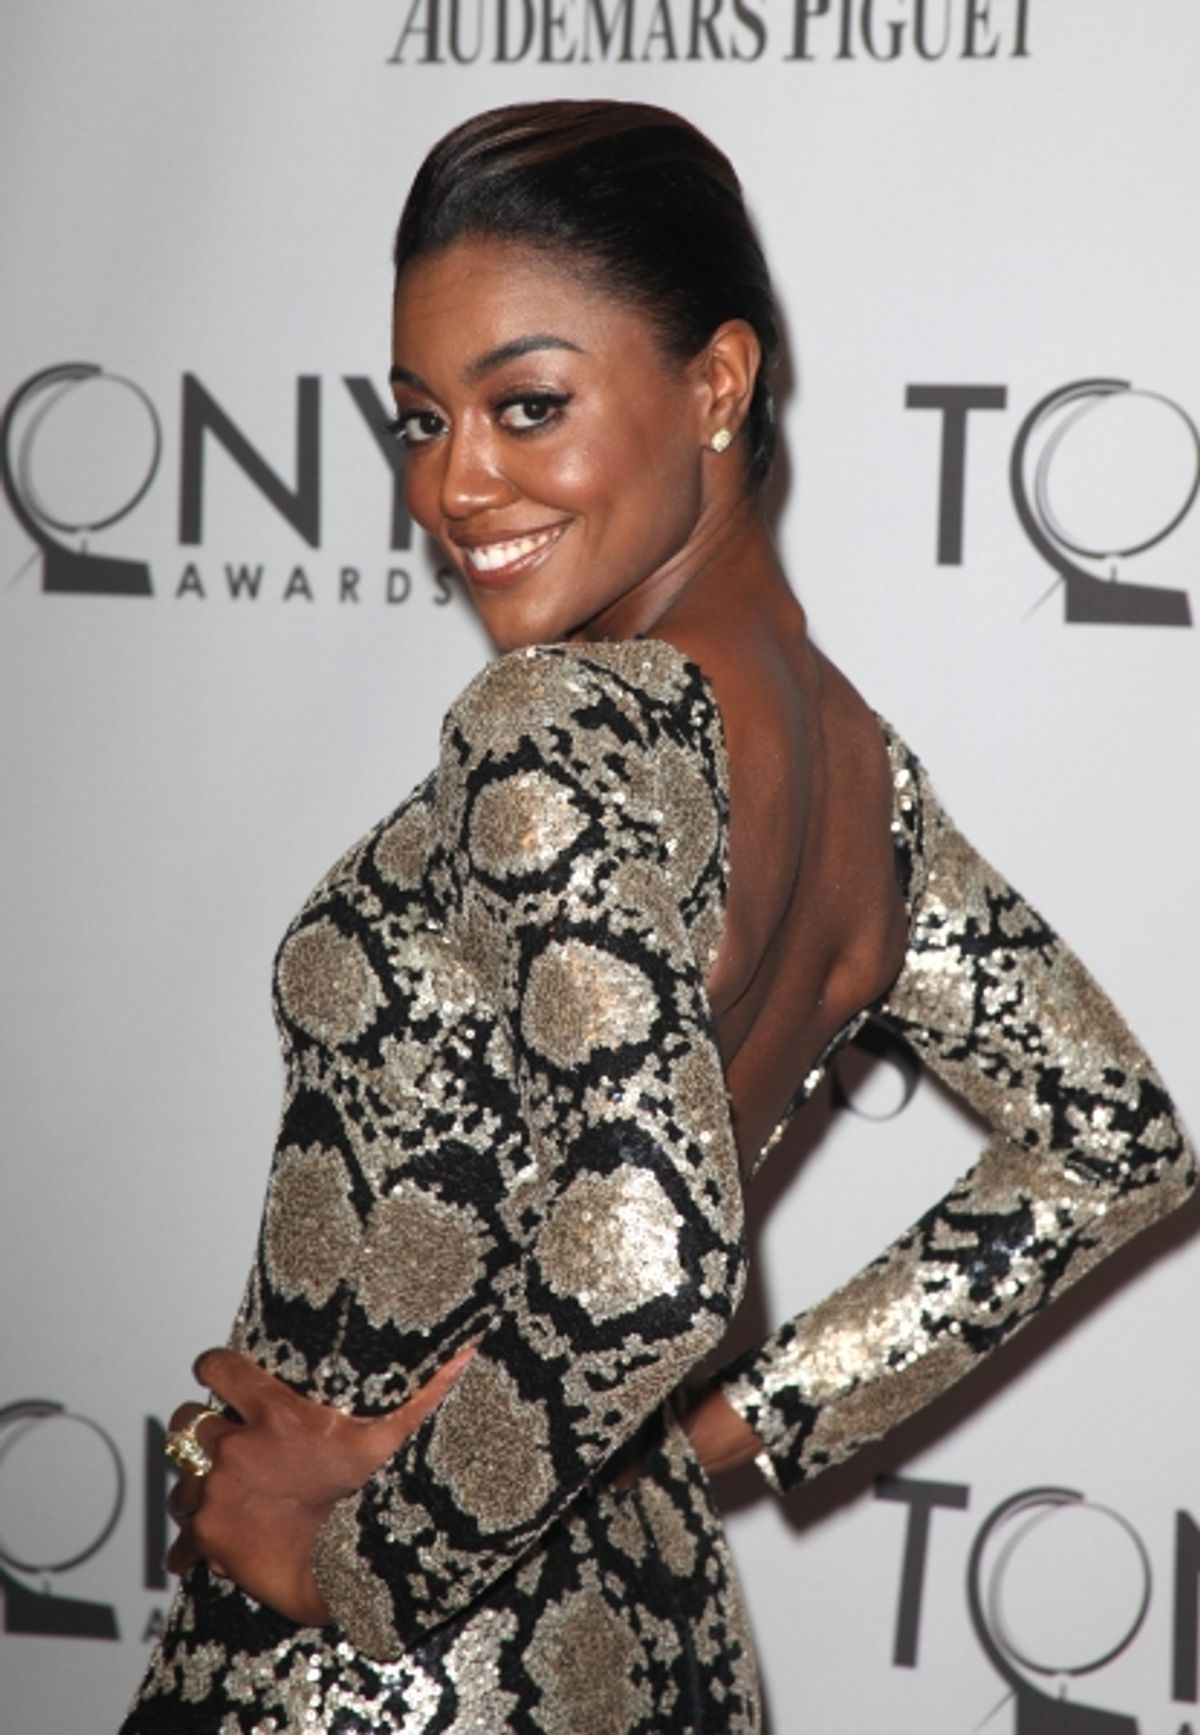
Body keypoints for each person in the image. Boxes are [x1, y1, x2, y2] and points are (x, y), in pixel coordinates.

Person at [122, 100, 1194, 1733]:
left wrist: (367, 1567)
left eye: (526, 405)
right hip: (653, 1635)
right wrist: (697, 1442)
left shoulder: (549, 723)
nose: (453, 484)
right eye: (419, 419)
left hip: (394, 1675)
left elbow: (649, 1256)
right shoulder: (862, 775)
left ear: (717, 384)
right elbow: (1114, 1142)